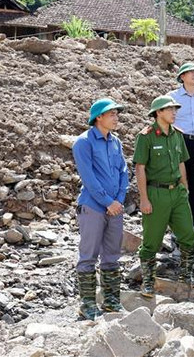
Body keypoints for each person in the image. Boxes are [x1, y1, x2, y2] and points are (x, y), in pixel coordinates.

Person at [133, 96, 194, 298]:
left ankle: (186, 275)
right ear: (158, 113)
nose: (174, 112)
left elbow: (181, 163)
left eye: (175, 109)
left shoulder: (177, 135)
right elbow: (140, 168)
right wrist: (144, 199)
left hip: (177, 192)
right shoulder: (146, 136)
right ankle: (148, 282)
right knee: (151, 241)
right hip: (156, 193)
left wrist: (185, 187)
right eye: (169, 109)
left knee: (189, 236)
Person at [72, 98, 128, 320]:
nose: (116, 118)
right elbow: (89, 177)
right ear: (99, 118)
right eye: (112, 114)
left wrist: (119, 200)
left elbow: (124, 171)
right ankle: (87, 304)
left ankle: (111, 302)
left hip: (115, 207)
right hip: (93, 207)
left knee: (112, 256)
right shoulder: (83, 142)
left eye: (117, 114)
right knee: (88, 256)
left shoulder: (116, 142)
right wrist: (108, 202)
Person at [167, 62, 194, 246]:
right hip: (180, 141)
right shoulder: (172, 97)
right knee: (178, 184)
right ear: (182, 77)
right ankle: (177, 226)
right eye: (190, 72)